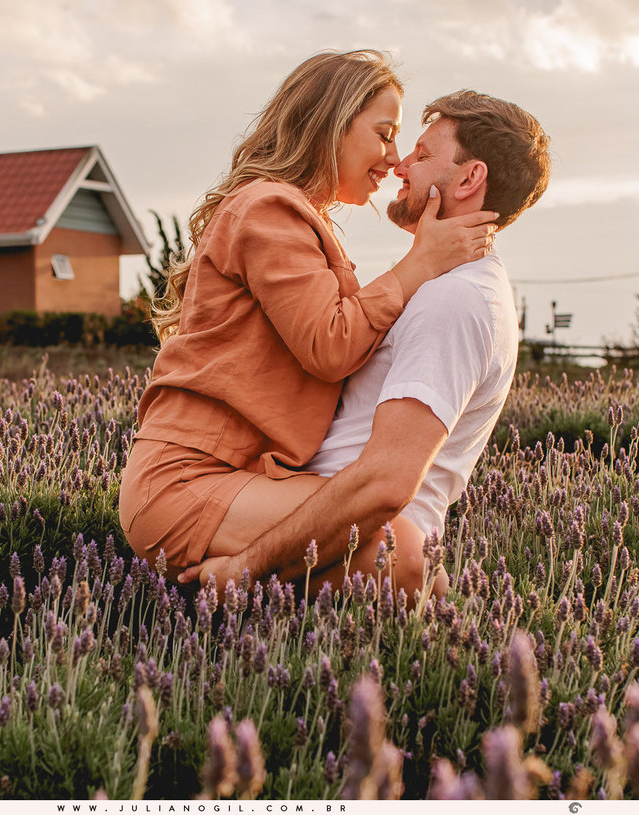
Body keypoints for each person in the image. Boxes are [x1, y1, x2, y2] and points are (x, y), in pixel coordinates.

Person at [119, 51, 499, 582]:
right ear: (332, 127)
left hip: (249, 478)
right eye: (384, 133)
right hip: (187, 482)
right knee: (404, 556)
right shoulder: (268, 208)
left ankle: (223, 601)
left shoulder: (299, 218)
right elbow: (330, 346)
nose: (393, 159)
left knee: (408, 564)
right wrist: (420, 263)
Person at [179, 90, 552, 598]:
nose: (401, 168)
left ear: (469, 179)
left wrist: (245, 570)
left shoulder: (457, 299)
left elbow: (385, 483)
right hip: (308, 526)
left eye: (422, 156)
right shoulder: (440, 285)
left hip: (338, 547)